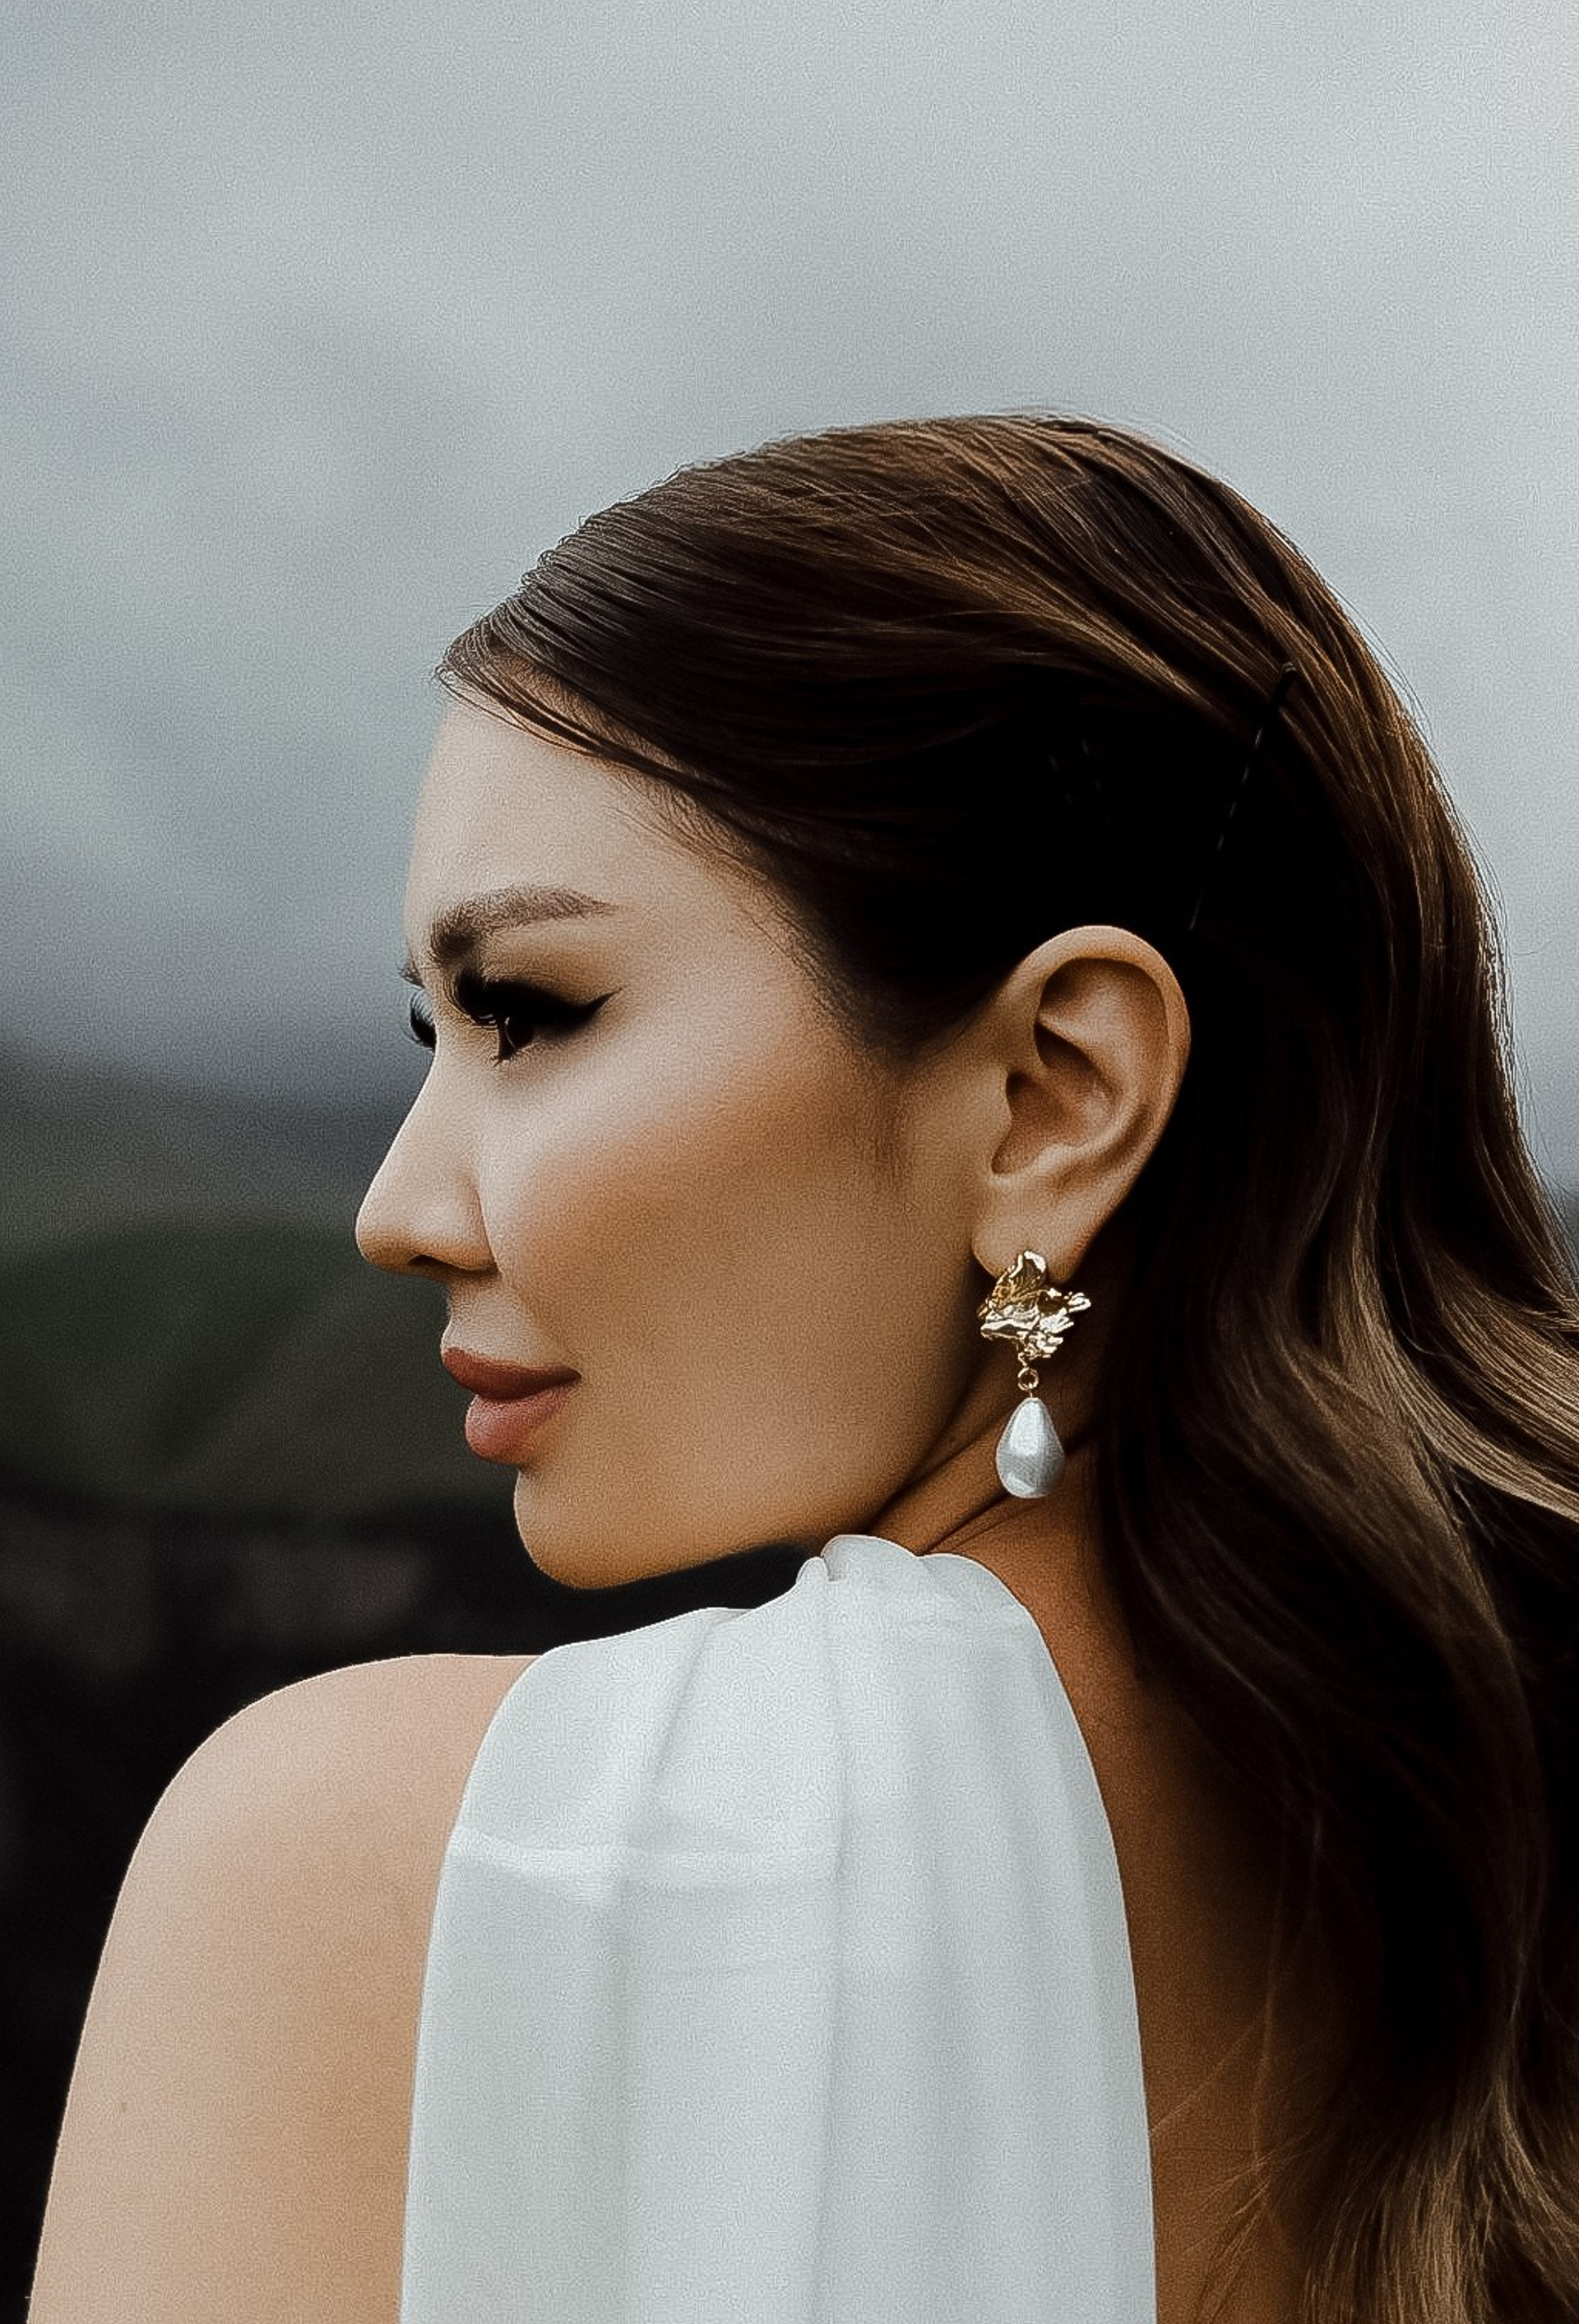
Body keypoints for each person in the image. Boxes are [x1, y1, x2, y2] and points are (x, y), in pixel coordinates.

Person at [30, 413, 1579, 2323]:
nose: (400, 1207)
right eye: (430, 1034)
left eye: (534, 1012)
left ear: (1050, 1098)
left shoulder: (378, 1876)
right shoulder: (1491, 1916)